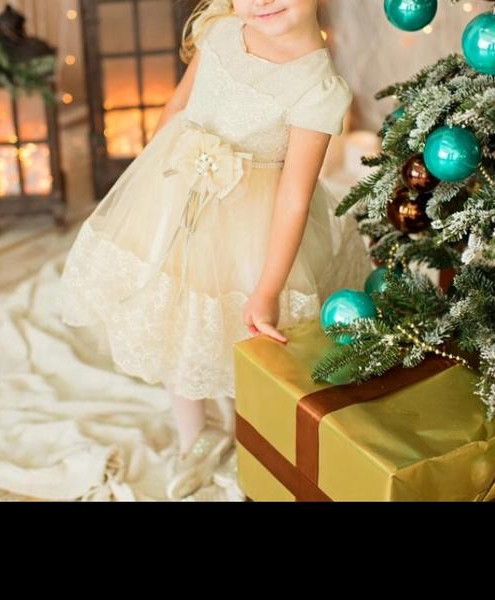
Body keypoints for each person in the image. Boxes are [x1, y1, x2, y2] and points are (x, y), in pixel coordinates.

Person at [58, 0, 372, 500]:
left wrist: (267, 289)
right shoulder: (222, 31)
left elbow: (293, 197)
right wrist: (147, 189)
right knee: (174, 316)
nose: (261, 2)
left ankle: (256, 437)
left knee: (236, 330)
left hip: (251, 228)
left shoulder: (317, 87)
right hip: (176, 195)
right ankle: (194, 437)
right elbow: (177, 108)